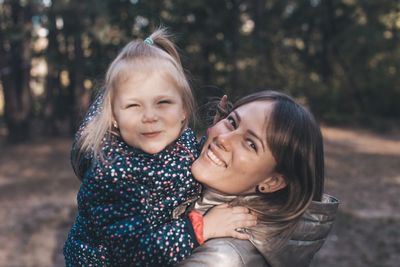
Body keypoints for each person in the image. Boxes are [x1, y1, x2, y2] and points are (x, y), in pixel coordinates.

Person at [63, 28, 257, 267]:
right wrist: (201, 228)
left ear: (183, 110)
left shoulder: (182, 140)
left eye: (163, 103)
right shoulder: (112, 174)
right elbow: (135, 252)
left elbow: (188, 161)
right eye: (134, 106)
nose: (150, 117)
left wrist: (218, 133)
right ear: (114, 117)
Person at [176, 90, 339, 267]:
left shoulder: (223, 259)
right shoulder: (183, 182)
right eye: (232, 122)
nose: (223, 139)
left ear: (271, 182)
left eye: (251, 144)